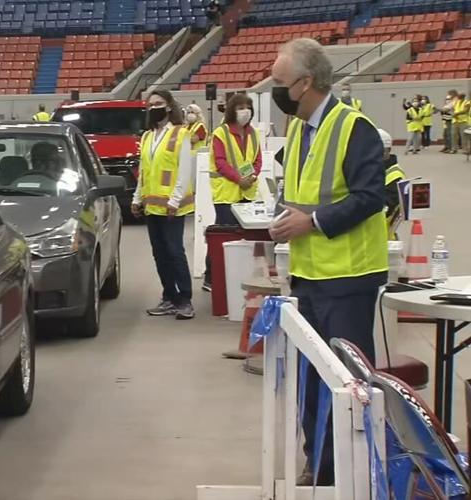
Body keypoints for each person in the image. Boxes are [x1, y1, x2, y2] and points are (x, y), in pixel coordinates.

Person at [268, 38, 388, 486]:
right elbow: (297, 194)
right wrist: (283, 220)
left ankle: (357, 472)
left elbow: (370, 197)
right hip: (308, 276)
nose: (275, 91)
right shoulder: (298, 128)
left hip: (348, 278)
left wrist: (312, 222)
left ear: (307, 82)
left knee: (350, 383)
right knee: (312, 384)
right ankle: (320, 467)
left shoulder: (354, 128)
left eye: (280, 83)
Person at [131, 90, 196, 319]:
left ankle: (185, 298)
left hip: (172, 207)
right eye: (150, 105)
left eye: (158, 104)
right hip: (152, 206)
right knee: (159, 253)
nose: (153, 108)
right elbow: (144, 172)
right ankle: (169, 296)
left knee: (175, 251)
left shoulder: (181, 134)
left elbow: (184, 171)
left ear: (169, 106)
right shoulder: (148, 136)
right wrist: (137, 198)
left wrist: (175, 200)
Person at [202, 93, 261, 291]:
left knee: (244, 238)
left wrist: (252, 177)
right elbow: (220, 162)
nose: (245, 111)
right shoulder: (221, 133)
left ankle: (237, 276)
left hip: (247, 194)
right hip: (226, 194)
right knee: (222, 237)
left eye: (248, 107)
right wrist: (239, 179)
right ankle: (211, 277)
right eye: (240, 107)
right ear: (231, 111)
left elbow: (257, 159)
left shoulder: (253, 133)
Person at [377, 129, 405, 240]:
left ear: (385, 151)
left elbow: (385, 210)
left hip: (382, 238)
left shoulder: (395, 176)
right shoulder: (376, 169)